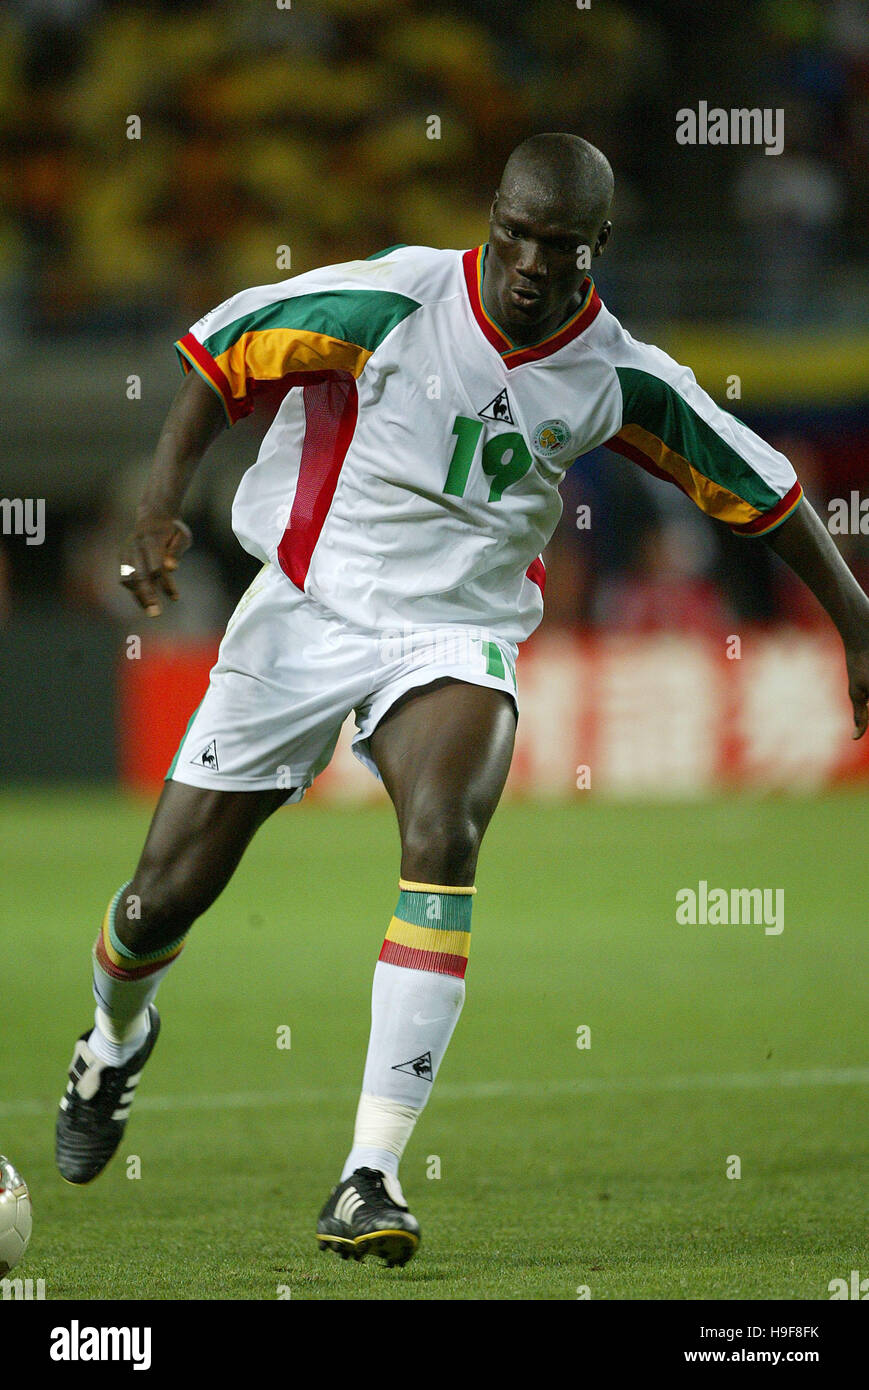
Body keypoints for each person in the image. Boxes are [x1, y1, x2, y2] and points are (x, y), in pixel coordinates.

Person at [55, 133, 869, 1269]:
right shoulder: (391, 300)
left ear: (598, 247)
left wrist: (854, 618)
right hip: (304, 609)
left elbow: (754, 486)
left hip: (455, 636)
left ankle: (369, 1173)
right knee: (155, 904)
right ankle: (112, 1038)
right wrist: (156, 510)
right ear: (491, 219)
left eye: (559, 245)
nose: (530, 264)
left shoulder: (614, 373)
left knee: (444, 834)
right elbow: (218, 352)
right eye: (514, 235)